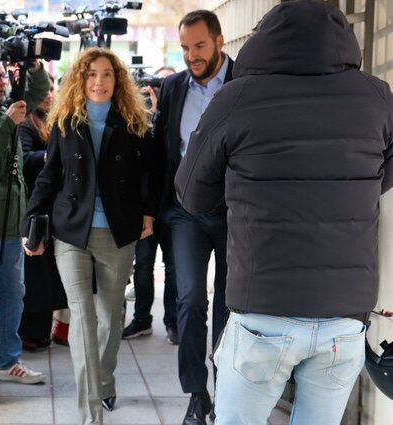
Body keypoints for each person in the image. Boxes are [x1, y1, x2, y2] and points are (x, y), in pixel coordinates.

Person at [174, 1, 393, 424]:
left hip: (263, 311)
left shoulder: (237, 96)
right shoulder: (376, 96)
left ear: (263, 41)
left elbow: (191, 193)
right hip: (344, 317)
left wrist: (243, 183)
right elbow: (383, 172)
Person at [23, 47, 163, 424]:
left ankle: (104, 380)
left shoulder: (135, 122)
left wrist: (149, 213)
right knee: (83, 318)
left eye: (106, 74)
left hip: (118, 232)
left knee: (110, 317)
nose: (98, 82)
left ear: (117, 81)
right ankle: (89, 416)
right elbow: (49, 175)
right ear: (80, 80)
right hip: (72, 231)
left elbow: (153, 173)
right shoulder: (66, 121)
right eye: (91, 74)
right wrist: (31, 220)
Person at [153, 10, 233, 424]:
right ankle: (196, 392)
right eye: (185, 48)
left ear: (219, 41)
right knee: (188, 300)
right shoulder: (172, 88)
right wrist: (152, 210)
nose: (192, 56)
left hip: (234, 212)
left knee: (228, 304)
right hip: (185, 212)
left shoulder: (245, 82)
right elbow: (161, 150)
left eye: (199, 46)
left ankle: (226, 391)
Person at [0, 56, 48, 384]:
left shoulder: (4, 109)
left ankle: (9, 360)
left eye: (2, 75)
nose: (0, 81)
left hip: (10, 222)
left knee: (13, 294)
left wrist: (34, 68)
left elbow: (36, 96)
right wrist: (7, 122)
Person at [123, 65, 179, 344]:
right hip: (144, 205)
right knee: (142, 265)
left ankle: (173, 322)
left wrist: (159, 115)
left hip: (171, 205)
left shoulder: (177, 117)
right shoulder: (136, 119)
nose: (154, 92)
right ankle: (142, 319)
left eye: (162, 85)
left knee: (173, 267)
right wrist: (148, 115)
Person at [18, 74, 67, 351]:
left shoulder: (55, 121)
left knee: (47, 276)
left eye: (52, 89)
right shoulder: (26, 125)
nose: (49, 94)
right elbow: (25, 160)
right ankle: (30, 332)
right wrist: (50, 157)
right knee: (35, 275)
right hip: (35, 209)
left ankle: (42, 330)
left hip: (52, 209)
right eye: (44, 89)